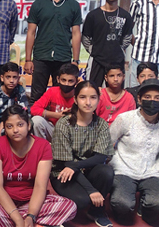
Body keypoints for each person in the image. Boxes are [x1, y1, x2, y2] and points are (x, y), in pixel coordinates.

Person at [0, 105, 77, 227]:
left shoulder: (43, 146)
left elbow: (40, 186)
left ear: (28, 125)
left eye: (20, 125)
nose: (15, 130)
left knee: (69, 207)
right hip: (0, 201)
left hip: (30, 200)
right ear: (4, 129)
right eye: (9, 126)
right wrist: (17, 219)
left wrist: (31, 216)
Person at [109, 79, 159, 226]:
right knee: (122, 204)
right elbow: (108, 142)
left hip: (153, 171)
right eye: (147, 97)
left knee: (158, 203)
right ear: (139, 99)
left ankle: (144, 206)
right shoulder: (125, 119)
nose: (152, 101)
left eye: (158, 98)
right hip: (124, 169)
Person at [50, 81, 114, 227]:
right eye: (83, 97)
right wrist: (91, 190)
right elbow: (66, 163)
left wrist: (76, 165)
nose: (88, 102)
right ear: (75, 99)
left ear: (99, 99)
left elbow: (101, 157)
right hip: (63, 172)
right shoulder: (64, 124)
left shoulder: (101, 124)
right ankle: (59, 209)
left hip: (85, 169)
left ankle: (97, 211)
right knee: (82, 200)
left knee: (107, 171)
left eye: (93, 97)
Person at [25, 0, 82, 106]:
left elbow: (76, 34)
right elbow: (31, 33)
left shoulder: (73, 6)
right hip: (41, 57)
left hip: (63, 58)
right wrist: (27, 59)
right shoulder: (38, 5)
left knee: (62, 96)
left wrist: (75, 60)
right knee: (37, 96)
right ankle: (34, 125)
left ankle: (59, 126)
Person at [82, 0, 133, 87]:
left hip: (117, 60)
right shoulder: (93, 15)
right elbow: (85, 37)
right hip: (97, 60)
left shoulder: (126, 16)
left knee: (116, 93)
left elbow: (128, 37)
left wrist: (118, 49)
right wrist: (94, 50)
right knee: (92, 90)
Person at [29, 63, 78, 140]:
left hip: (72, 132)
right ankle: (43, 148)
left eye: (70, 81)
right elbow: (33, 109)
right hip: (53, 129)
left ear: (76, 81)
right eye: (63, 80)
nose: (66, 84)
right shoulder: (52, 91)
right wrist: (57, 115)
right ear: (58, 79)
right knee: (36, 120)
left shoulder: (80, 95)